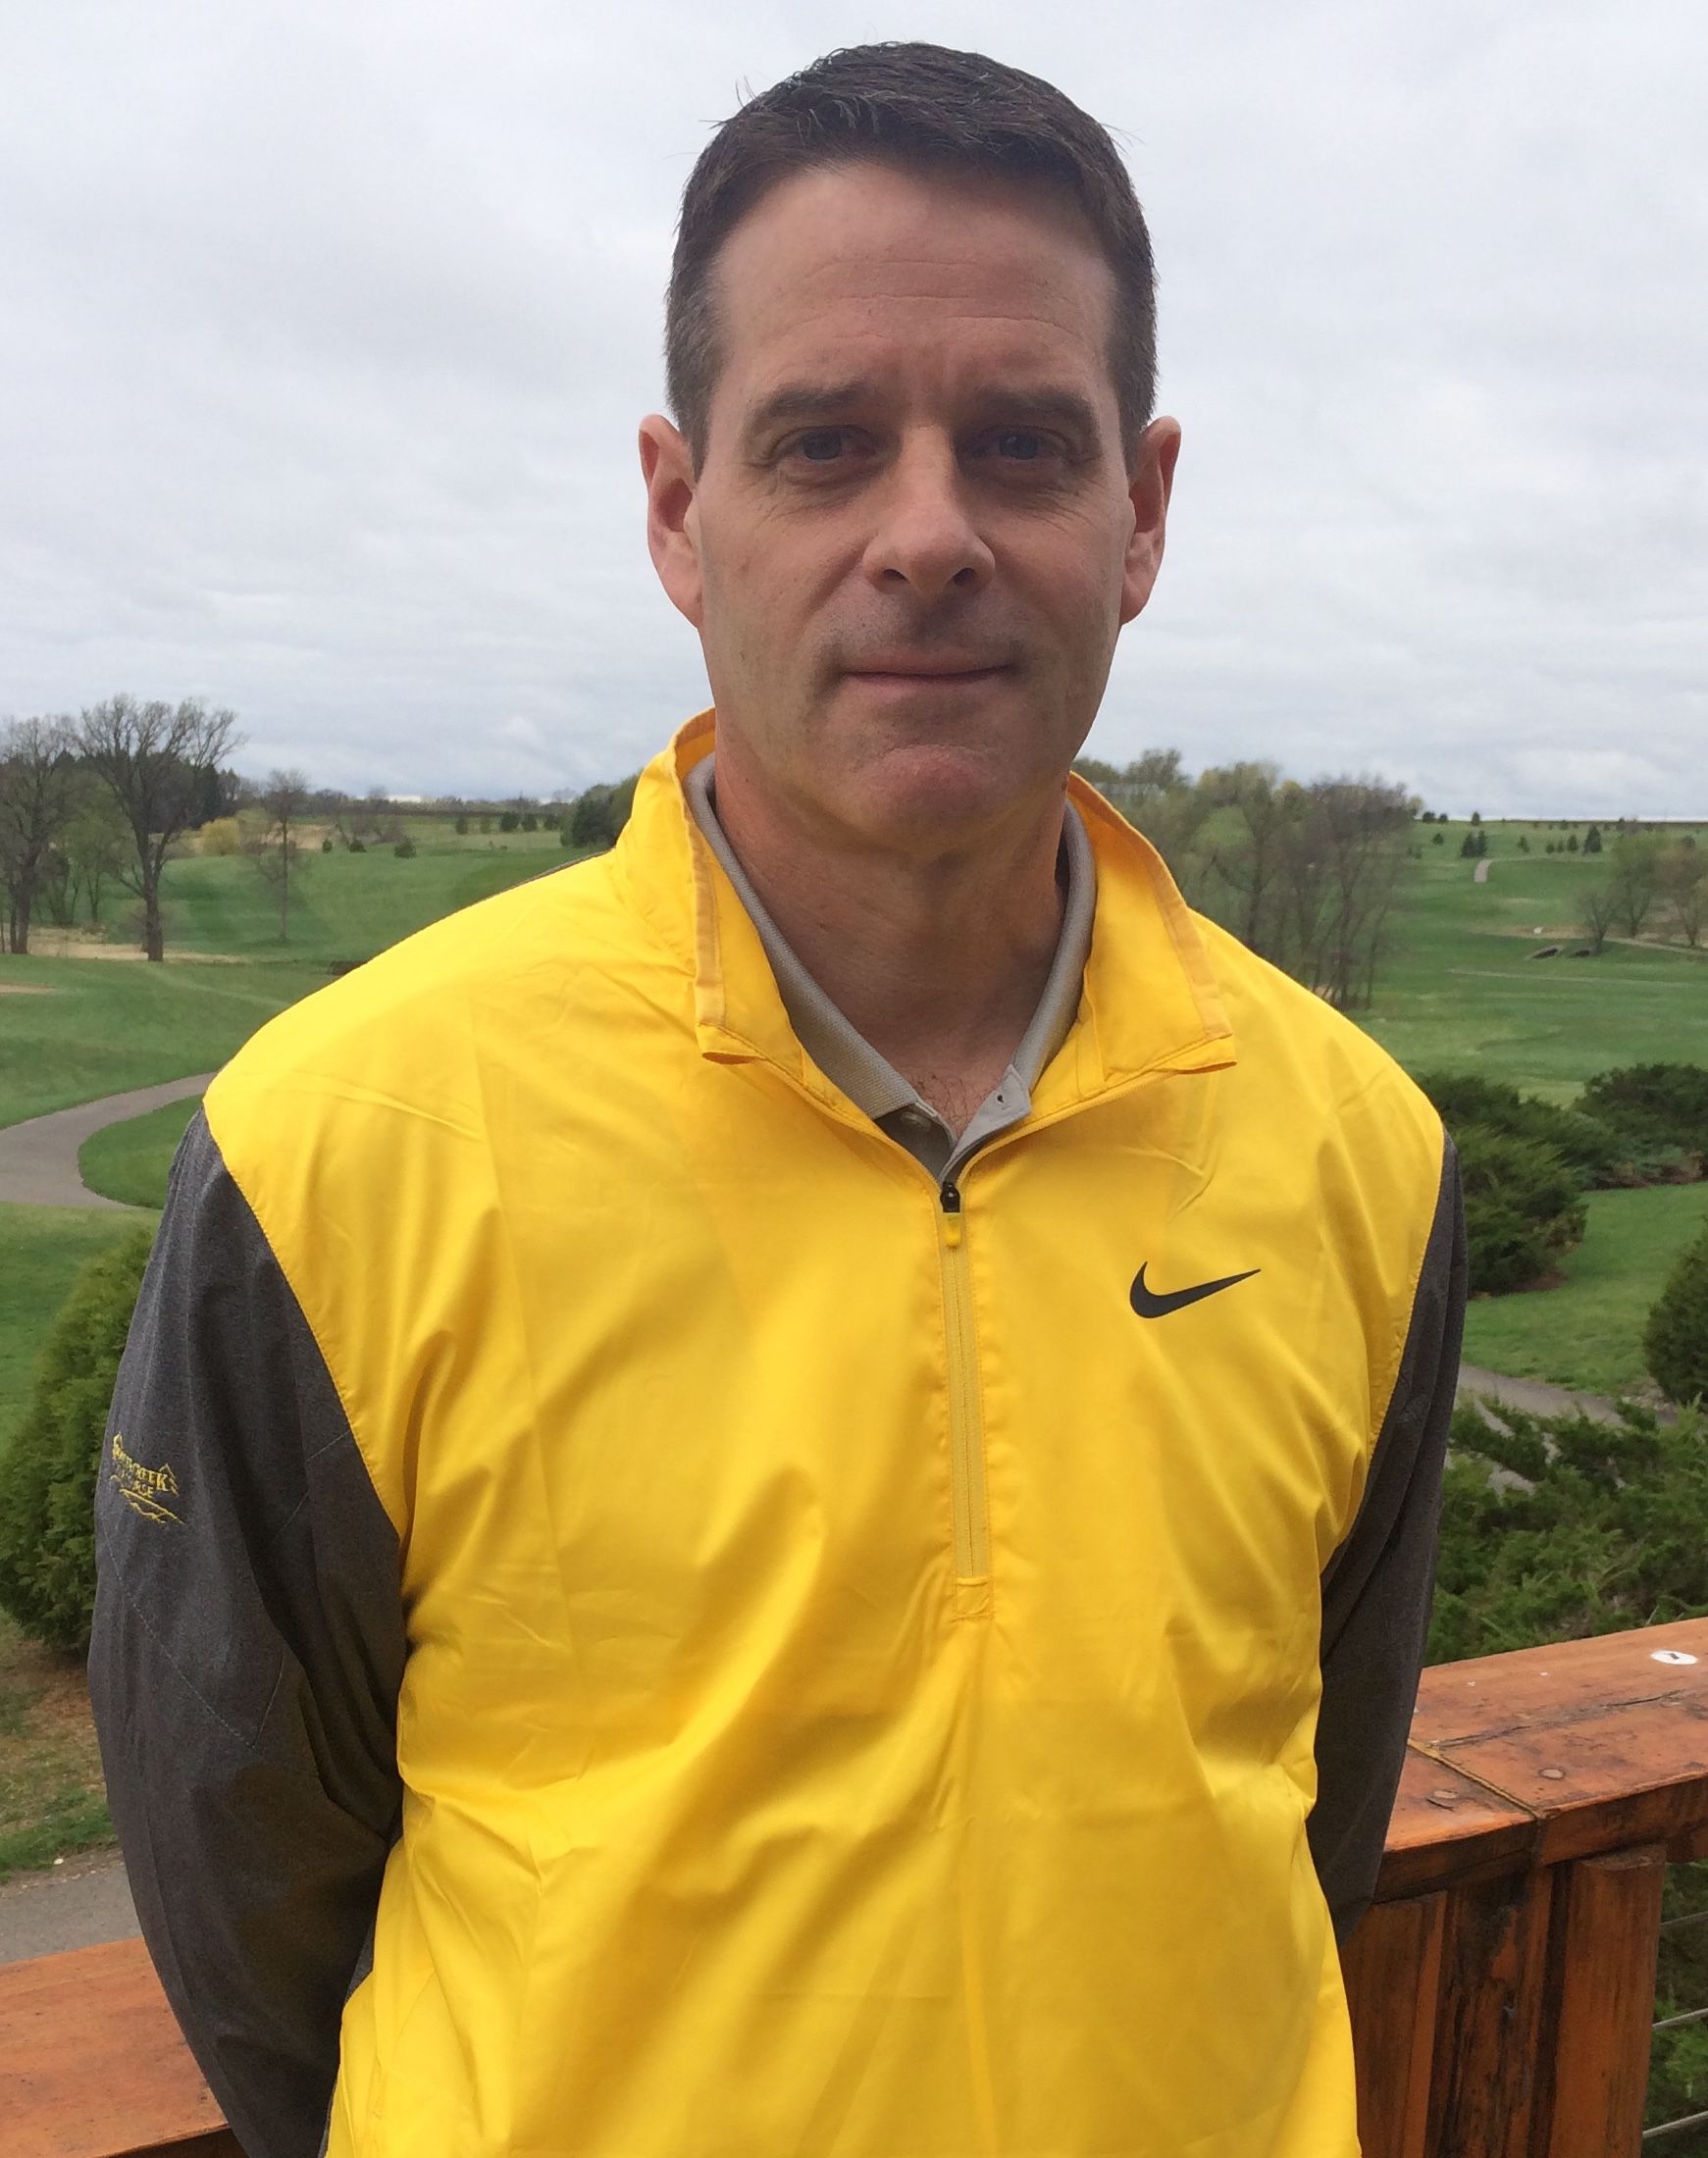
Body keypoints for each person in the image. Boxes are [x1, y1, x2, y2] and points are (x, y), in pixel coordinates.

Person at [90, 41, 1465, 2158]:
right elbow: (248, 1891)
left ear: (1144, 512)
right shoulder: (335, 1139)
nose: (928, 536)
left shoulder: (1360, 1142)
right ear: (675, 506)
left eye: (1019, 445)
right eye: (823, 446)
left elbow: (1308, 1809)